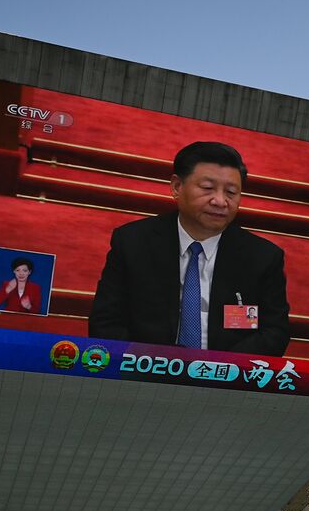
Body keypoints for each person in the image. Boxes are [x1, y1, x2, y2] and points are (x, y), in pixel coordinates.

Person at [89, 142, 289, 356]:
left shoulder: (263, 258)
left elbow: (274, 333)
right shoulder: (133, 242)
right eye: (207, 188)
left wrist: (222, 368)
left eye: (231, 192)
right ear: (177, 187)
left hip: (225, 377)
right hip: (143, 373)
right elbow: (106, 321)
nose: (220, 201)